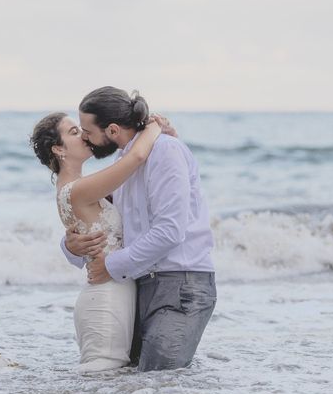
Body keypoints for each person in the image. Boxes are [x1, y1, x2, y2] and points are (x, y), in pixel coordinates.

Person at [62, 86, 216, 372]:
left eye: (87, 130)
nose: (85, 138)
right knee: (127, 377)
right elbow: (102, 220)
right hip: (139, 283)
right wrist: (70, 246)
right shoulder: (125, 164)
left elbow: (170, 230)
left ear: (112, 130)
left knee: (159, 378)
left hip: (182, 283)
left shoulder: (166, 151)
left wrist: (111, 265)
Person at [30, 110, 161, 372]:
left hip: (112, 293)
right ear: (58, 149)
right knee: (101, 381)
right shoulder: (78, 189)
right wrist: (154, 126)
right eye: (74, 132)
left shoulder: (79, 186)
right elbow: (136, 157)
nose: (84, 134)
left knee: (104, 393)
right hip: (105, 299)